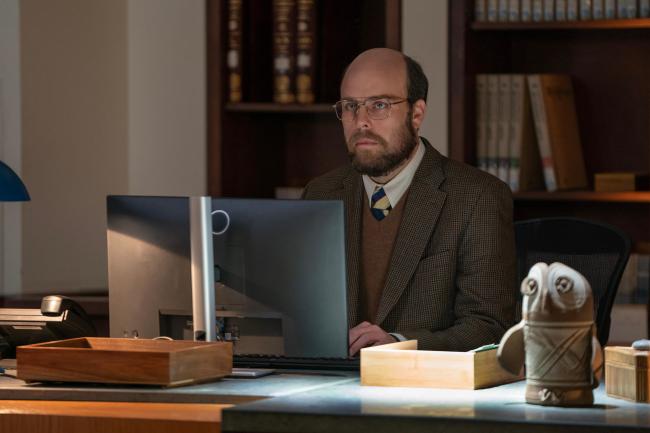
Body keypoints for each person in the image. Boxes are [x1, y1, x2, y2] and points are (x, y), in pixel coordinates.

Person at [302, 48, 516, 356]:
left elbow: (489, 328)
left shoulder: (477, 197)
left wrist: (400, 345)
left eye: (379, 105)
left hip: (424, 392)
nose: (361, 121)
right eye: (350, 106)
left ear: (416, 114)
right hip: (325, 386)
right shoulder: (321, 193)